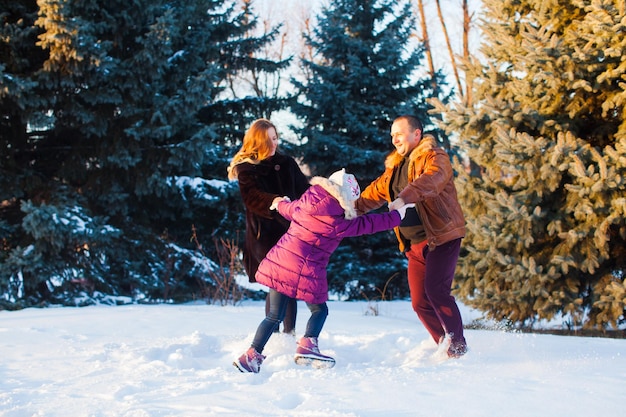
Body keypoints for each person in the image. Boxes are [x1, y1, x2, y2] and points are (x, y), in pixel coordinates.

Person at [233, 169, 414, 373]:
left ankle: (250, 356)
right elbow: (369, 224)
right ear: (345, 197)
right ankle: (308, 345)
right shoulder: (337, 221)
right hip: (306, 270)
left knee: (274, 316)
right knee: (320, 310)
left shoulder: (304, 204)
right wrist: (397, 215)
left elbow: (288, 208)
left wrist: (278, 203)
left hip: (280, 264)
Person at [354, 115, 468, 358]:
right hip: (414, 245)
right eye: (392, 135)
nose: (394, 139)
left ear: (417, 134)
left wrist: (404, 197)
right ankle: (444, 345)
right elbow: (374, 192)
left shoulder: (435, 157)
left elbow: (432, 180)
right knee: (419, 303)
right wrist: (350, 209)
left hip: (440, 237)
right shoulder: (395, 166)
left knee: (436, 291)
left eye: (400, 133)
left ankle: (457, 348)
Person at [227, 118, 309, 335]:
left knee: (288, 285)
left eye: (275, 138)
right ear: (257, 142)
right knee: (279, 283)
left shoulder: (288, 163)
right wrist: (276, 202)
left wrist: (326, 192)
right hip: (264, 236)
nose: (274, 144)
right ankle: (272, 335)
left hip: (291, 233)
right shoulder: (248, 169)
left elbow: (305, 190)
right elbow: (251, 198)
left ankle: (288, 334)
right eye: (268, 140)